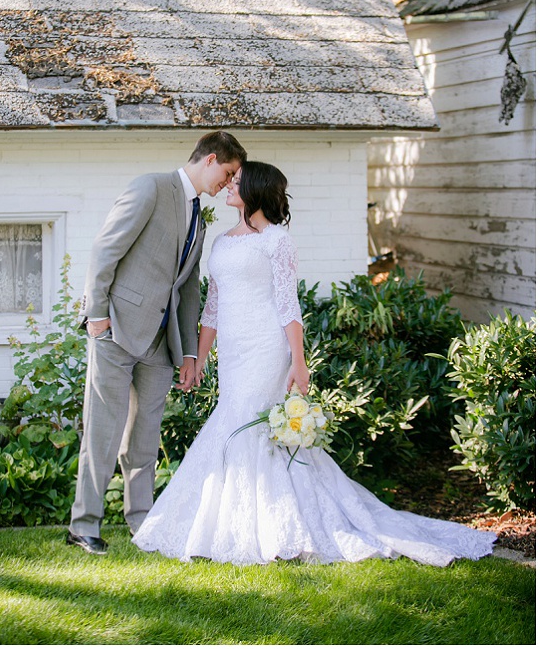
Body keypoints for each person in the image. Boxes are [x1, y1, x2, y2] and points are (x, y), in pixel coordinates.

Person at [133, 161, 496, 565]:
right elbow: (213, 309)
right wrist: (199, 358)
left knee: (247, 425)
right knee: (235, 421)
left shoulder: (276, 241)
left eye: (237, 182)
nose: (229, 186)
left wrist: (299, 364)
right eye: (230, 180)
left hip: (267, 348)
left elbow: (290, 308)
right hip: (233, 353)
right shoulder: (221, 242)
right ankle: (232, 524)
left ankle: (277, 528)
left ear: (256, 190)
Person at [68, 131, 247, 555]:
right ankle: (84, 524)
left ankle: (141, 522)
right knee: (103, 433)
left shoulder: (198, 214)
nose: (228, 183)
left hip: (161, 345)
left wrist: (188, 350)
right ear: (210, 159)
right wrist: (97, 318)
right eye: (228, 173)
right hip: (116, 331)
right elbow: (104, 250)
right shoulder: (150, 187)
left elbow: (187, 289)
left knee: (145, 438)